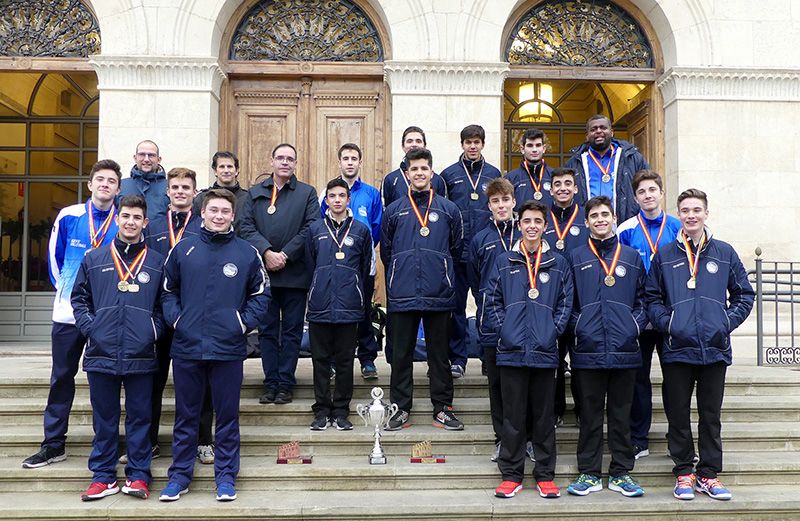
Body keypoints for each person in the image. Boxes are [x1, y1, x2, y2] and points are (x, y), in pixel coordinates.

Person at [159, 189, 268, 502]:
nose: (219, 216)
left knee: (227, 417)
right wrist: (178, 321)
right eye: (213, 210)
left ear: (232, 215)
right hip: (187, 347)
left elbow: (261, 295)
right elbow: (168, 291)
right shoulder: (183, 249)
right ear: (202, 213)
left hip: (228, 348)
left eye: (225, 211)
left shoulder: (247, 253)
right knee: (186, 416)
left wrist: (241, 324)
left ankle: (225, 477)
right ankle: (179, 476)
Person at [645, 188, 754, 501]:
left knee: (710, 415)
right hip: (677, 348)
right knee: (677, 413)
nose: (691, 215)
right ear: (678, 215)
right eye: (685, 210)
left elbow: (744, 294)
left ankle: (708, 474)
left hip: (714, 348)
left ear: (706, 213)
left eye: (696, 210)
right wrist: (669, 324)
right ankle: (683, 472)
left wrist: (725, 322)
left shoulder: (725, 252)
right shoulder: (665, 255)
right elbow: (651, 297)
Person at [22, 159, 121, 469]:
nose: (105, 184)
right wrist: (68, 295)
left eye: (112, 181)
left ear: (118, 189)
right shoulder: (69, 215)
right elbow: (54, 259)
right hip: (68, 314)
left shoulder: (125, 219)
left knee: (106, 381)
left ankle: (106, 443)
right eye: (100, 179)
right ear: (90, 184)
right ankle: (53, 444)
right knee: (62, 377)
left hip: (107, 316)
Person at [71, 195, 165, 501]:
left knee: (140, 418)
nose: (130, 222)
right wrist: (92, 329)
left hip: (141, 353)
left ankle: (138, 476)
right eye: (125, 216)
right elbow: (79, 299)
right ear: (117, 219)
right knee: (105, 419)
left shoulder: (157, 261)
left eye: (137, 217)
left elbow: (166, 305)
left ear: (145, 223)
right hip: (101, 352)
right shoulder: (94, 259)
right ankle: (103, 476)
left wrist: (152, 331)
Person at [484, 200, 572, 499]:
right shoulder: (504, 260)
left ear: (545, 226)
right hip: (510, 351)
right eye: (527, 221)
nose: (532, 226)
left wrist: (552, 332)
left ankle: (545, 475)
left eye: (537, 221)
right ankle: (511, 474)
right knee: (513, 416)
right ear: (519, 224)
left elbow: (565, 304)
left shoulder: (558, 263)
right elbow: (492, 301)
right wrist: (505, 330)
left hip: (545, 351)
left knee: (544, 417)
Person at [565, 195, 647, 498]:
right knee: (589, 414)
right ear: (586, 223)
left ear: (614, 218)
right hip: (588, 349)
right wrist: (581, 328)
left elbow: (644, 301)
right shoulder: (575, 257)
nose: (600, 220)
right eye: (595, 216)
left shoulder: (631, 257)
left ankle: (621, 472)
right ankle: (588, 472)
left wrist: (632, 327)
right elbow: (567, 303)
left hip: (625, 349)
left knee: (621, 413)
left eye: (605, 215)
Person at [380, 148, 464, 431]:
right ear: (407, 174)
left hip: (438, 291)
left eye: (423, 169)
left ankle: (442, 408)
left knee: (439, 355)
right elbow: (387, 251)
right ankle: (400, 408)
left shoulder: (449, 210)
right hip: (402, 293)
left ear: (431, 172)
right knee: (401, 354)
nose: (419, 173)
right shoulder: (394, 210)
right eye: (414, 169)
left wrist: (438, 269)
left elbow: (456, 248)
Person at [141, 167, 215, 466]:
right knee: (151, 383)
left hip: (195, 317)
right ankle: (148, 441)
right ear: (167, 191)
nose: (181, 191)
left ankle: (203, 440)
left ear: (195, 192)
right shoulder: (153, 227)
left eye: (186, 187)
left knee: (202, 384)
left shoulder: (205, 226)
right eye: (175, 187)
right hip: (157, 316)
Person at [239, 143, 319, 405]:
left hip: (295, 275)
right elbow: (246, 227)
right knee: (268, 331)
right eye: (280, 158)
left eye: (290, 159)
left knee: (293, 331)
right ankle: (270, 381)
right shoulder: (254, 193)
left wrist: (285, 255)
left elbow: (311, 227)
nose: (285, 162)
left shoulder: (306, 193)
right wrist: (266, 252)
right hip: (263, 275)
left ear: (295, 164)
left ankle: (286, 382)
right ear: (271, 161)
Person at [617, 170, 682, 460]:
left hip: (670, 312)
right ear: (635, 197)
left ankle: (677, 437)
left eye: (652, 190)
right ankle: (638, 438)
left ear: (661, 193)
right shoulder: (626, 228)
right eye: (642, 192)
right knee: (638, 378)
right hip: (640, 313)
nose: (648, 196)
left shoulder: (679, 226)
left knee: (675, 379)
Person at [307, 178, 373, 431]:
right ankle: (322, 410)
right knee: (320, 361)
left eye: (341, 195)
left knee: (346, 362)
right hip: (320, 306)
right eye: (332, 196)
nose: (336, 200)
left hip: (349, 306)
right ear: (326, 200)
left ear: (348, 200)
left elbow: (366, 268)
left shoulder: (360, 231)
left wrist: (359, 300)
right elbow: (310, 266)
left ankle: (342, 410)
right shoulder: (315, 230)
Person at [440, 124, 502, 378]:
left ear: (483, 144)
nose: (473, 146)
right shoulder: (449, 174)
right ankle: (458, 359)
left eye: (477, 142)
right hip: (457, 252)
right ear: (462, 144)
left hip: (486, 252)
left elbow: (501, 208)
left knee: (488, 305)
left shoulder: (494, 173)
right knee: (455, 308)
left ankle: (490, 357)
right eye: (468, 142)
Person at [319, 144, 382, 379]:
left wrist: (360, 250)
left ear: (360, 162)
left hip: (362, 264)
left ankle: (367, 360)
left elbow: (376, 228)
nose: (350, 162)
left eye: (354, 158)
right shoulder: (328, 192)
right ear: (339, 162)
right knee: (336, 312)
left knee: (364, 311)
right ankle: (334, 360)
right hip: (334, 266)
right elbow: (320, 226)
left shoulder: (371, 194)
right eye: (345, 158)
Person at [468, 177, 518, 461]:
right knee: (497, 385)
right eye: (495, 201)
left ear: (513, 201)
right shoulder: (480, 239)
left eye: (505, 200)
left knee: (523, 385)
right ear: (489, 206)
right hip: (491, 323)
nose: (501, 206)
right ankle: (502, 438)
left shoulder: (526, 233)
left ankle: (527, 438)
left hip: (524, 321)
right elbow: (474, 278)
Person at [543, 167, 589, 427]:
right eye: (557, 183)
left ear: (575, 188)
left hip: (582, 299)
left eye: (567, 183)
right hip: (551, 299)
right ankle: (556, 409)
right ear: (551, 189)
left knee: (581, 359)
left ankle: (583, 409)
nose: (562, 188)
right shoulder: (542, 218)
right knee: (555, 360)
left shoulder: (586, 217)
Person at [565, 115, 649, 222]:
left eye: (603, 128)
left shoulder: (632, 158)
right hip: (587, 226)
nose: (598, 131)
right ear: (587, 136)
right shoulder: (574, 163)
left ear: (612, 132)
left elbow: (647, 187)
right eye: (593, 129)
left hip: (624, 224)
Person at [381, 126, 446, 207]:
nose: (414, 144)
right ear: (403, 146)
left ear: (424, 145)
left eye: (418, 141)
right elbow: (385, 210)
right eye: (409, 141)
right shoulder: (390, 179)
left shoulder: (438, 180)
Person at [193, 151, 250, 230]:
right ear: (215, 171)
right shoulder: (202, 198)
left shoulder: (248, 198)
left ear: (237, 171)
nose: (226, 170)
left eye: (229, 166)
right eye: (222, 167)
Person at [506, 128, 554, 212]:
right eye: (530, 145)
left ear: (544, 148)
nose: (534, 150)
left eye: (538, 145)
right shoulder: (510, 178)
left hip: (550, 225)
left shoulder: (554, 176)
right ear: (522, 149)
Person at [120, 140, 170, 219]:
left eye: (151, 155)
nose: (146, 159)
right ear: (135, 158)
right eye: (142, 154)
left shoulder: (170, 187)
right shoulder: (121, 185)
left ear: (159, 159)